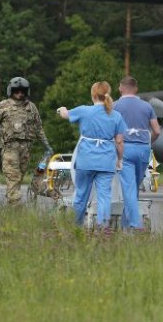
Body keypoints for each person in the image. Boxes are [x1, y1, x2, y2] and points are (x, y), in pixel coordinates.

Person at [57, 81, 126, 230]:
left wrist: (62, 109)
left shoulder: (83, 111)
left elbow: (65, 114)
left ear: (93, 95)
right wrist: (120, 160)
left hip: (85, 161)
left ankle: (76, 228)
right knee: (104, 197)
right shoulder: (116, 116)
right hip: (107, 161)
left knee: (81, 195)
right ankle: (103, 228)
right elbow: (119, 142)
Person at [0, 76, 53, 205]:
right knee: (13, 178)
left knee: (18, 179)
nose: (20, 94)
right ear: (11, 91)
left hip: (26, 149)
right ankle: (16, 208)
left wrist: (47, 146)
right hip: (9, 148)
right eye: (16, 91)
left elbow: (39, 129)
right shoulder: (3, 106)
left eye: (22, 91)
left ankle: (12, 203)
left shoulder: (31, 107)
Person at [114, 76, 161, 231]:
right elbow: (157, 131)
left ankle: (137, 225)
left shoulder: (114, 106)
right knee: (133, 189)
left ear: (121, 88)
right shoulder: (147, 106)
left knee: (128, 189)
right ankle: (125, 227)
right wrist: (148, 141)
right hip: (143, 150)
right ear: (136, 88)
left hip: (124, 149)